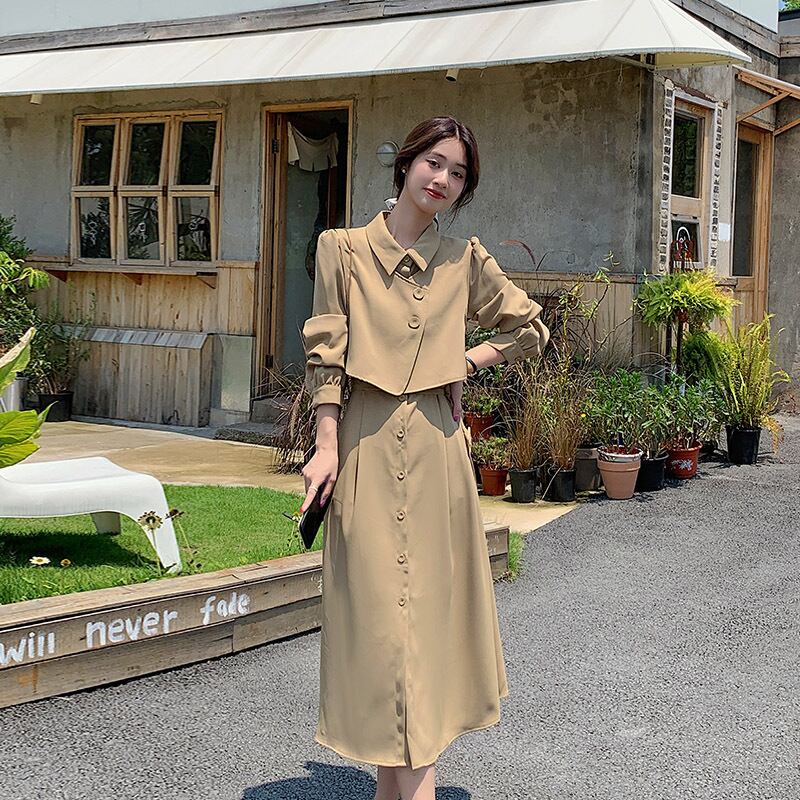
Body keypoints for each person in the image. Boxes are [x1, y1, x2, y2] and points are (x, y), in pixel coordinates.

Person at [299, 116, 550, 800]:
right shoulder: (342, 250)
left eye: (458, 172)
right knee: (383, 630)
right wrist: (326, 447)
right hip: (366, 447)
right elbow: (326, 355)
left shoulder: (464, 260)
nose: (443, 179)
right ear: (407, 164)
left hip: (439, 451)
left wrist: (465, 359)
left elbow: (529, 328)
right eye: (434, 162)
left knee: (425, 631)